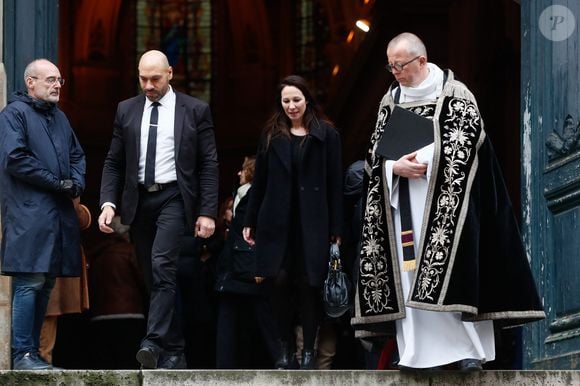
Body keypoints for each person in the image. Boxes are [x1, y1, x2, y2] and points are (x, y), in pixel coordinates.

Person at [351, 32, 545, 371]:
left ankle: (467, 352)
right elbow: (374, 156)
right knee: (410, 277)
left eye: (400, 65)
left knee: (455, 275)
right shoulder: (391, 100)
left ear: (421, 61)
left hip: (449, 210)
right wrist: (394, 167)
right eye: (390, 65)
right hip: (404, 208)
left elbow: (467, 148)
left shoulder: (455, 95)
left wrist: (428, 160)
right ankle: (416, 353)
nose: (394, 72)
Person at [98, 49, 219, 369]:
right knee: (153, 278)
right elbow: (114, 161)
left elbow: (208, 164)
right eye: (142, 78)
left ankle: (152, 342)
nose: (148, 85)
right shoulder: (126, 110)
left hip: (174, 197)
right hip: (139, 202)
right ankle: (176, 349)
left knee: (163, 265)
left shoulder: (195, 110)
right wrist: (108, 203)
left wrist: (207, 211)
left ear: (170, 74)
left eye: (154, 78)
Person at [243, 75, 343, 369]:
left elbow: (335, 184)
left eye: (296, 100)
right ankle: (285, 349)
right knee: (278, 283)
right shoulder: (271, 134)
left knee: (309, 286)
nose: (291, 106)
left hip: (313, 224)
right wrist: (250, 220)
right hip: (276, 222)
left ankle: (309, 352)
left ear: (308, 99)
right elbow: (259, 181)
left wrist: (337, 228)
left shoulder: (326, 135)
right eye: (286, 101)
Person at [0, 59, 86, 370]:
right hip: (28, 216)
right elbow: (15, 158)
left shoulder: (60, 118)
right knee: (29, 282)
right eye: (50, 80)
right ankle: (22, 354)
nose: (57, 85)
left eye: (59, 80)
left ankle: (33, 353)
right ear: (31, 83)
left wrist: (76, 182)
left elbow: (77, 154)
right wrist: (57, 182)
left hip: (56, 216)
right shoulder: (13, 115)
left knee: (46, 282)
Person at [215, 156, 281, 369]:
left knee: (258, 317)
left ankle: (282, 359)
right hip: (240, 266)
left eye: (242, 170)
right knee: (255, 317)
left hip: (244, 265)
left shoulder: (253, 195)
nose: (238, 174)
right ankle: (281, 359)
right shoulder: (246, 194)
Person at [39, 199, 91, 365]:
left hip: (52, 253)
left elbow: (82, 220)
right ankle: (41, 358)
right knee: (47, 308)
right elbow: (80, 218)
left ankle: (40, 358)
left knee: (49, 309)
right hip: (47, 253)